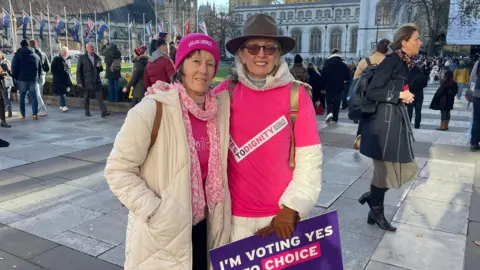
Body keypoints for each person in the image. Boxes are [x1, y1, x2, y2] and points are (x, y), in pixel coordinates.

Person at [104, 34, 231, 270]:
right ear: (180, 65)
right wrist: (155, 211)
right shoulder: (152, 109)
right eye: (195, 61)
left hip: (208, 227)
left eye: (210, 63)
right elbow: (117, 170)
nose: (203, 70)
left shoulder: (218, 111)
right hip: (163, 232)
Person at [213, 14, 322, 242]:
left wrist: (293, 207)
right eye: (252, 48)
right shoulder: (224, 93)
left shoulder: (297, 95)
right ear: (241, 53)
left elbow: (310, 159)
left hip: (279, 219)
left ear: (278, 53)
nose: (261, 54)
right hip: (230, 219)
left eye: (269, 48)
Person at [358, 24, 421, 232]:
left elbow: (394, 86)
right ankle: (376, 208)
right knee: (384, 171)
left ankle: (372, 201)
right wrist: (399, 96)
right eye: (416, 39)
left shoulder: (404, 62)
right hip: (380, 127)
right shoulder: (392, 60)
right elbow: (374, 91)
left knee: (386, 171)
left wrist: (405, 93)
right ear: (404, 42)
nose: (420, 43)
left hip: (391, 122)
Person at [352, 39, 391, 150]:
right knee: (382, 119)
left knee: (364, 117)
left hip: (366, 95)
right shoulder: (389, 61)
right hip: (384, 96)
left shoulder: (366, 60)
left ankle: (360, 136)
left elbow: (356, 79)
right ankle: (378, 142)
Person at [76, 43, 110, 117]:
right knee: (86, 97)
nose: (92, 49)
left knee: (100, 97)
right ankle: (87, 111)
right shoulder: (82, 58)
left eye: (93, 48)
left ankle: (104, 112)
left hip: (96, 80)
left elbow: (100, 69)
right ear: (87, 48)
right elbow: (78, 71)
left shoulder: (97, 57)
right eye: (90, 47)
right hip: (86, 81)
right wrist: (79, 81)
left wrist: (99, 67)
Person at [12, 39, 41, 120]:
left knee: (22, 96)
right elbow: (40, 68)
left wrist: (14, 76)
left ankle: (22, 114)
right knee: (34, 97)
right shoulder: (35, 55)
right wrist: (37, 77)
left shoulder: (18, 55)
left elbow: (14, 67)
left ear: (21, 45)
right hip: (33, 79)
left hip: (22, 79)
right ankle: (35, 114)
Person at [321, 48, 351, 123]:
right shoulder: (342, 64)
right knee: (337, 103)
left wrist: (322, 87)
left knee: (329, 102)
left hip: (329, 85)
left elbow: (323, 76)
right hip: (339, 86)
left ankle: (329, 113)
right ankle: (335, 118)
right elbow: (348, 76)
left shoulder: (326, 63)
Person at [30, 40, 49, 116]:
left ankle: (40, 109)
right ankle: (38, 109)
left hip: (35, 75)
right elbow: (47, 66)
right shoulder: (43, 53)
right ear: (37, 44)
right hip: (42, 74)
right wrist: (44, 72)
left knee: (37, 94)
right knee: (39, 93)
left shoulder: (32, 54)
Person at [407, 63, 428, 129]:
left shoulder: (409, 74)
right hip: (419, 95)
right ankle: (417, 124)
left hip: (410, 95)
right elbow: (425, 85)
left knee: (409, 111)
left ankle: (408, 123)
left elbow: (406, 84)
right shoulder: (422, 75)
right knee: (418, 111)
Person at [51, 46, 72, 112]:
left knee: (63, 93)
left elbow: (69, 69)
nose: (66, 53)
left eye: (67, 52)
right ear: (61, 52)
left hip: (65, 79)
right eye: (64, 52)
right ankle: (64, 106)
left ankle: (61, 105)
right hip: (59, 79)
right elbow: (53, 69)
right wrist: (57, 75)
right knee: (62, 93)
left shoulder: (68, 59)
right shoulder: (56, 59)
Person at [469, 59, 480, 151]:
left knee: (476, 119)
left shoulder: (478, 62)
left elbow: (472, 77)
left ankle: (474, 143)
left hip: (478, 93)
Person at [0, 52, 13, 118]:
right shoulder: (7, 61)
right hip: (8, 81)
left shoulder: (2, 64)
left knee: (4, 97)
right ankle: (8, 108)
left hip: (2, 82)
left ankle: (5, 110)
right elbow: (11, 72)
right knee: (7, 96)